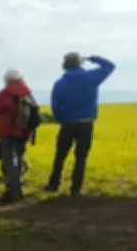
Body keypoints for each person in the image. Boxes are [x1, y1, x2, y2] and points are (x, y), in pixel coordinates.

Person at [45, 53, 116, 196]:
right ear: (79, 63)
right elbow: (110, 65)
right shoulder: (91, 78)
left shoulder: (59, 84)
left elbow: (56, 106)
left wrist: (62, 118)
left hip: (67, 124)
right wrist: (91, 58)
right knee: (81, 157)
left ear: (65, 64)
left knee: (60, 155)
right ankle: (75, 189)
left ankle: (53, 184)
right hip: (86, 123)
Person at [0, 68, 35, 203]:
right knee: (19, 158)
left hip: (8, 131)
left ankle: (12, 192)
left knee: (10, 162)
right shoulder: (27, 92)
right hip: (24, 132)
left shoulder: (6, 92)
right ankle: (18, 189)